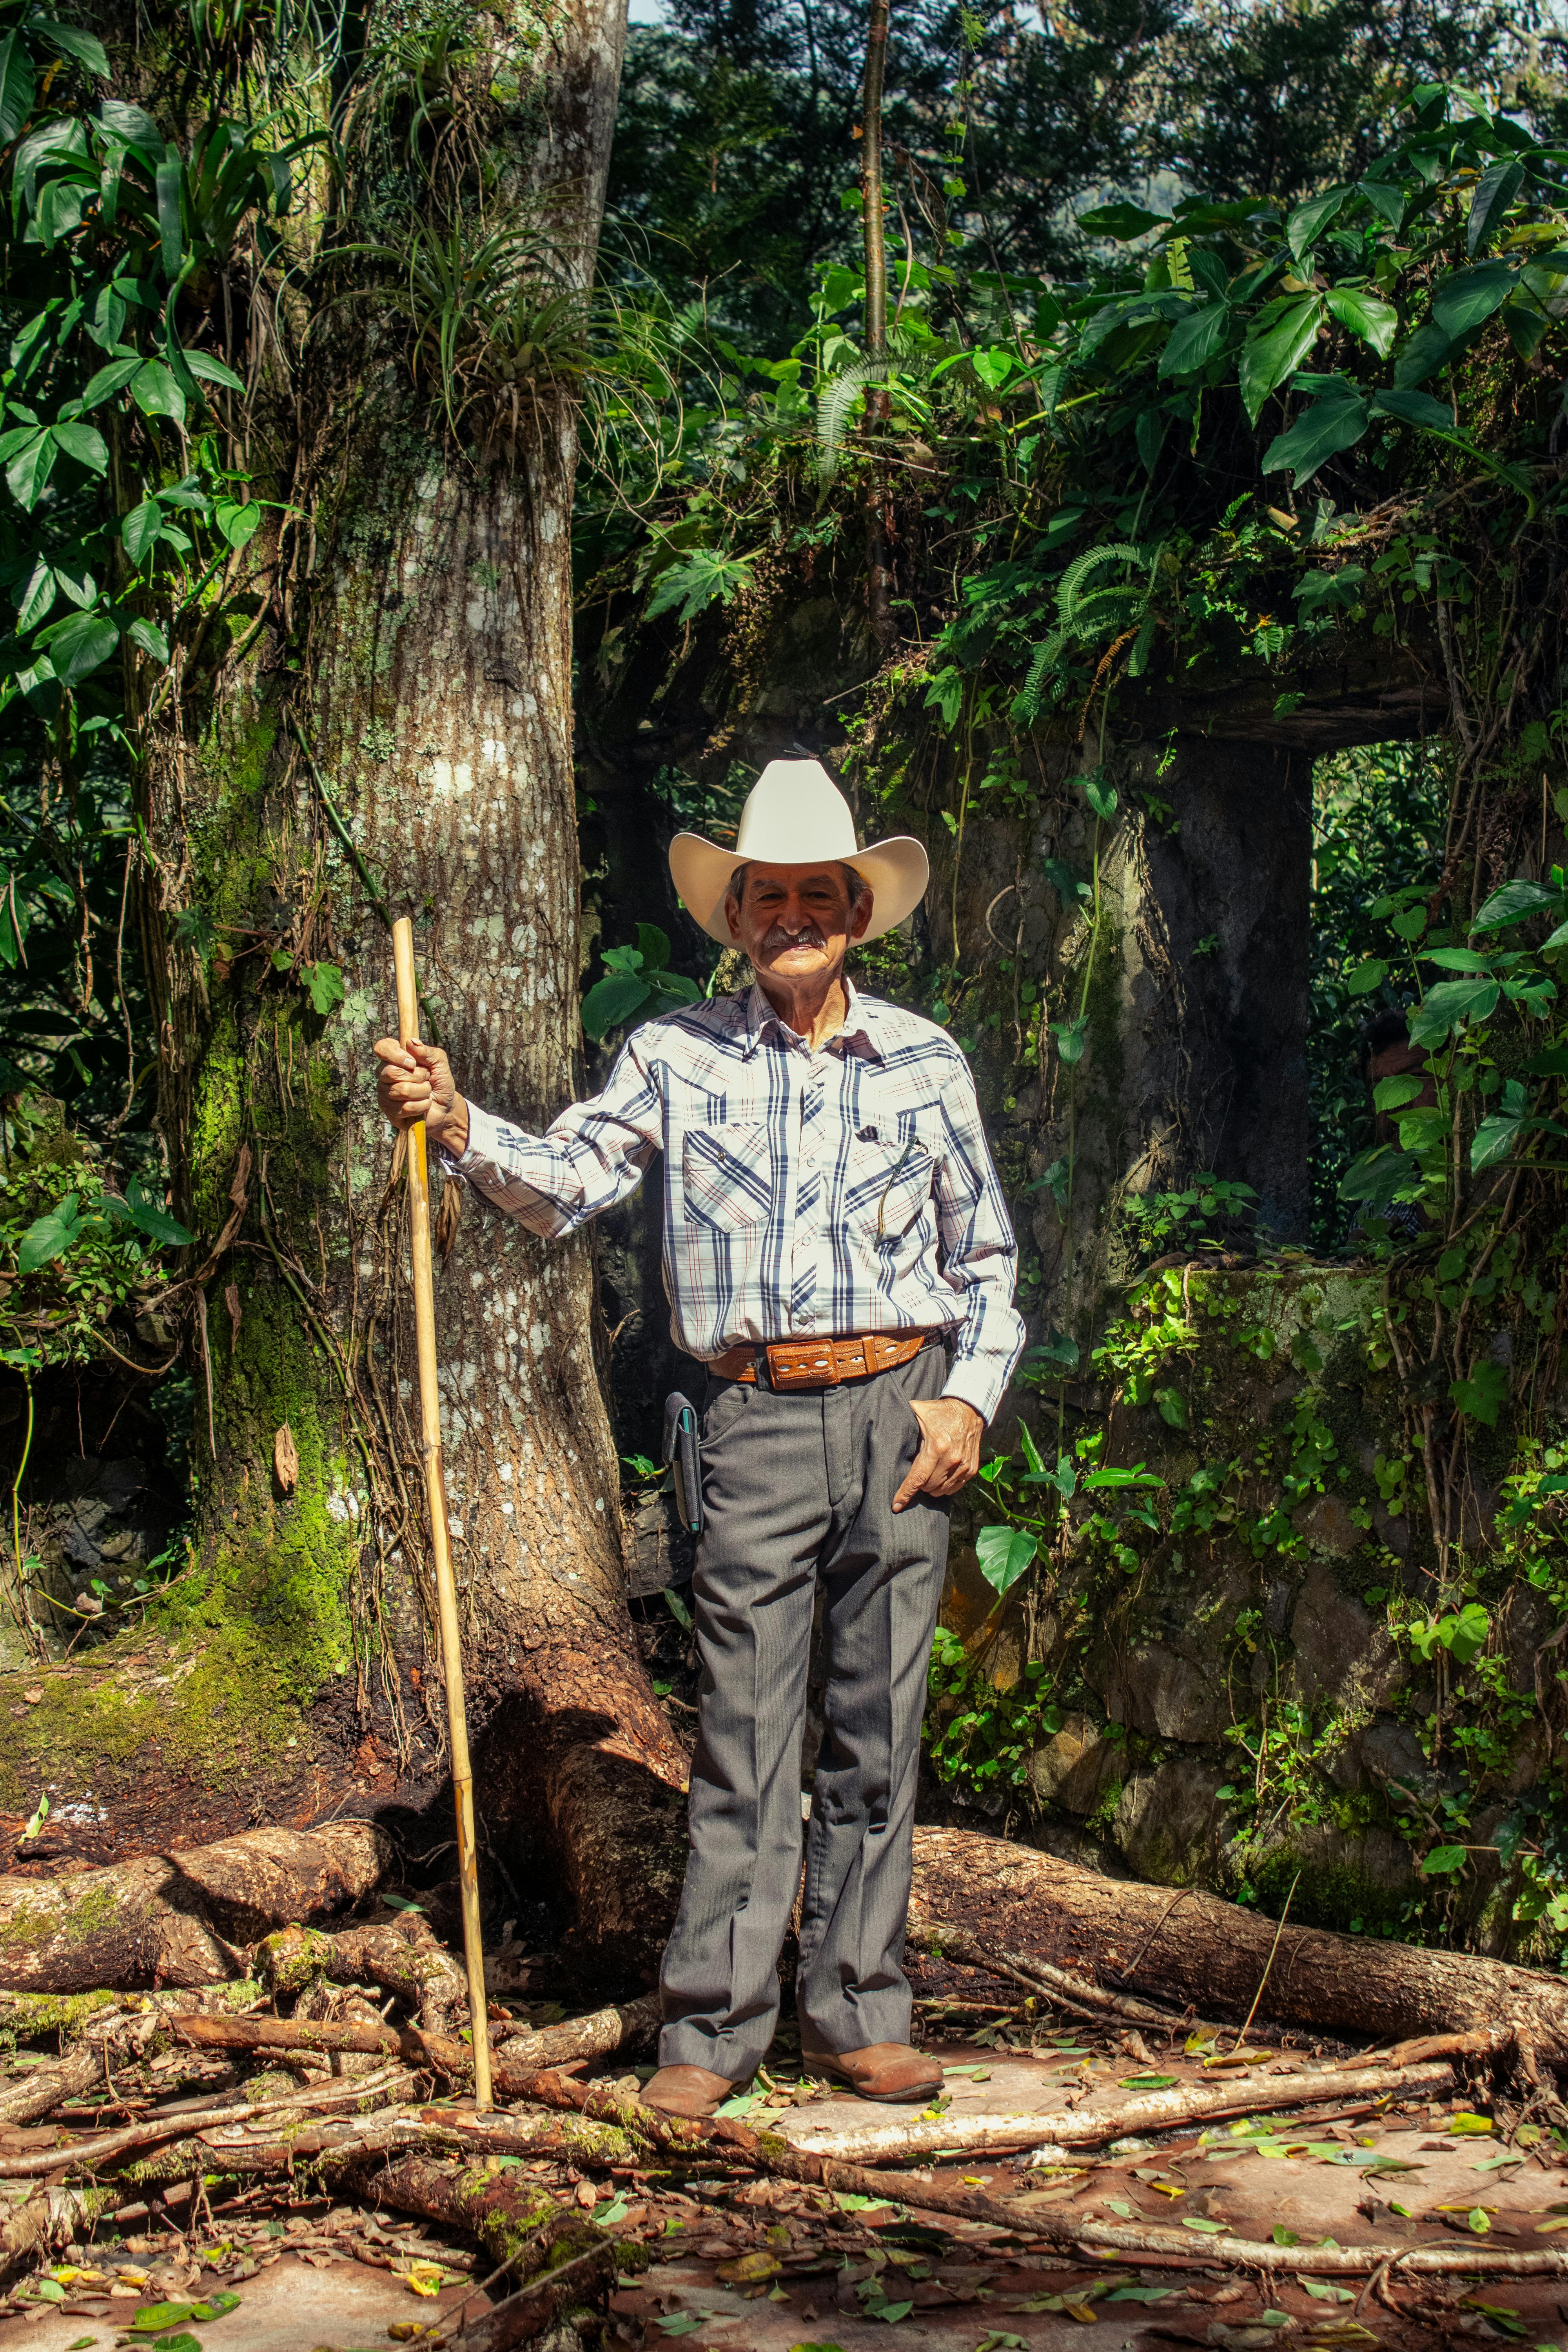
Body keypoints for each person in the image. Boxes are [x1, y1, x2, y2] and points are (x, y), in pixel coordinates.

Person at [374, 758, 1024, 2119]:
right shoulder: (673, 1053)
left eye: (817, 894)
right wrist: (454, 1118)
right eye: (767, 895)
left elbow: (989, 1257)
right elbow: (565, 1186)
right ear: (734, 918)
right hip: (746, 1422)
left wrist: (968, 1400)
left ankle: (860, 2012)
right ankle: (713, 2032)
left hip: (902, 1412)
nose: (793, 914)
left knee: (877, 1732)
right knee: (741, 1732)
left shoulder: (925, 1059)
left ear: (856, 908)